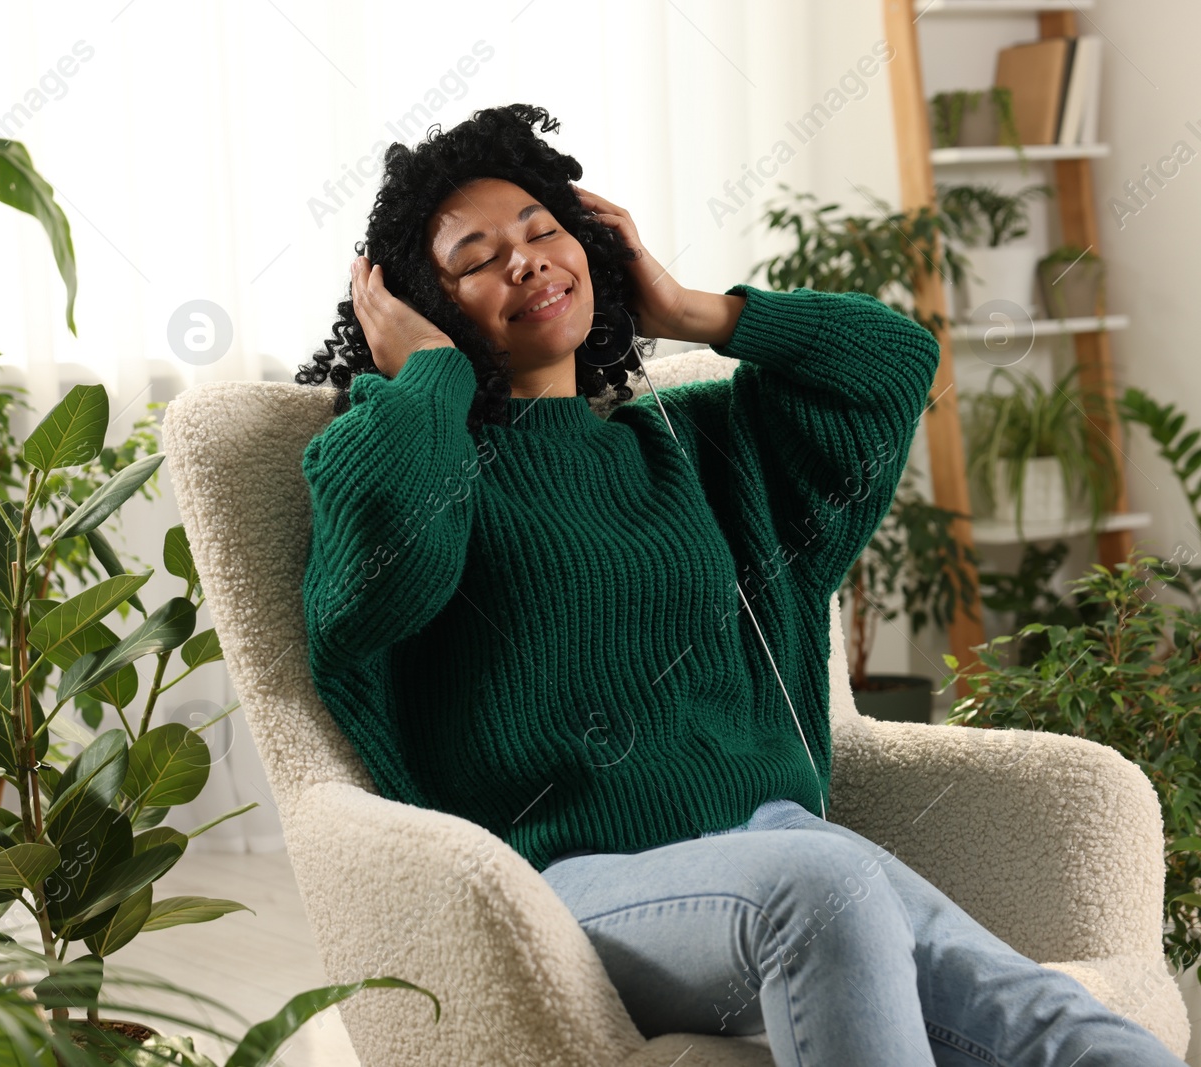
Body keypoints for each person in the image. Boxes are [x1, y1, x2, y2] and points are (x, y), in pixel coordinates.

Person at [293, 103, 1185, 1066]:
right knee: (823, 880)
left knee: (1058, 1022)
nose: (525, 259)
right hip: (567, 884)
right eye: (476, 258)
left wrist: (691, 311)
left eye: (545, 230)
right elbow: (379, 580)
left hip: (782, 841)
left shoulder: (690, 443)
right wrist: (427, 375)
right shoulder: (403, 456)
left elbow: (894, 365)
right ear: (428, 305)